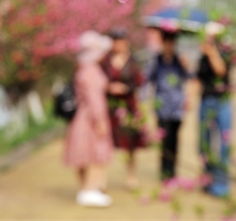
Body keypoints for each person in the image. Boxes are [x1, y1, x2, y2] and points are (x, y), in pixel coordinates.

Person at [63, 30, 114, 207]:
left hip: (81, 117)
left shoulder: (82, 69)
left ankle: (85, 188)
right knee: (96, 154)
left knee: (83, 154)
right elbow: (95, 98)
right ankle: (90, 189)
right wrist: (100, 120)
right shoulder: (91, 71)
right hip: (90, 118)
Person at [100, 27, 147, 190]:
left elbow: (139, 81)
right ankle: (101, 177)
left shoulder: (133, 60)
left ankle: (131, 175)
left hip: (128, 105)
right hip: (109, 105)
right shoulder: (104, 60)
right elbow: (98, 78)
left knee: (130, 141)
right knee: (106, 140)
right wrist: (109, 87)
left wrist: (125, 88)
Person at [146, 28, 190, 182]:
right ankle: (164, 171)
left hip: (177, 107)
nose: (169, 46)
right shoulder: (156, 61)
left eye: (172, 43)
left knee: (175, 139)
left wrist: (186, 66)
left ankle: (172, 172)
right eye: (167, 43)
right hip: (162, 107)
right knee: (164, 138)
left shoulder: (180, 61)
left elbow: (189, 78)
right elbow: (147, 80)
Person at [197, 22, 232, 197]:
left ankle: (221, 185)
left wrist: (211, 52)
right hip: (206, 100)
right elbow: (198, 78)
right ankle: (208, 178)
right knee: (205, 142)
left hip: (222, 102)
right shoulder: (202, 57)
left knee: (223, 143)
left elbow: (220, 71)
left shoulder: (224, 54)